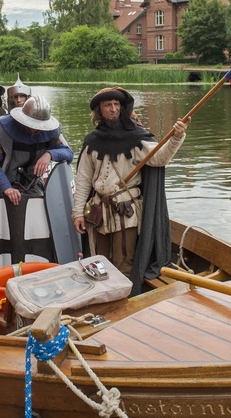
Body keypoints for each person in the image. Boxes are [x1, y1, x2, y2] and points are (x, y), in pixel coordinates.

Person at [71, 87, 189, 292]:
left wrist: (176, 137)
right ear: (100, 110)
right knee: (99, 261)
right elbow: (83, 179)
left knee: (124, 263)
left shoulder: (136, 137)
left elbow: (160, 158)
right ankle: (104, 300)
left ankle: (125, 307)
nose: (113, 109)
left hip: (126, 212)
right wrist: (77, 212)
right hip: (99, 212)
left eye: (117, 105)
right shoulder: (92, 140)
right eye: (108, 105)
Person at [0, 95, 72, 206]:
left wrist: (50, 154)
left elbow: (69, 153)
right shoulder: (3, 128)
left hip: (33, 187)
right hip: (3, 187)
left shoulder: (52, 131)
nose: (34, 127)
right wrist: (6, 187)